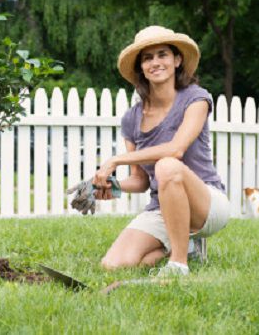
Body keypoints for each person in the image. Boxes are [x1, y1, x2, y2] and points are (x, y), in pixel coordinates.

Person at [92, 25, 230, 277]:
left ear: (177, 60)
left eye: (162, 54)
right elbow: (140, 180)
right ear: (141, 68)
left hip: (206, 203)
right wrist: (110, 187)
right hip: (163, 207)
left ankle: (178, 265)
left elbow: (176, 150)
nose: (155, 62)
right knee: (112, 265)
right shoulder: (132, 118)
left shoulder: (196, 99)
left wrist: (116, 159)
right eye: (147, 58)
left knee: (166, 164)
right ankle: (185, 248)